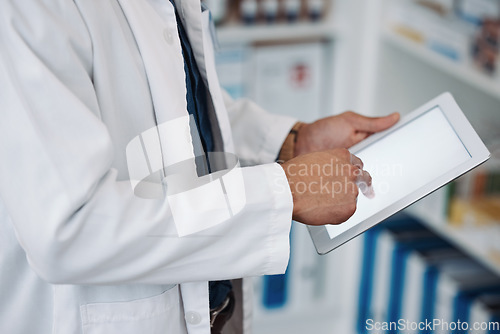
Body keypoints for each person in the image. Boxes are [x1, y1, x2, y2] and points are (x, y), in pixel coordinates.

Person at [0, 0, 399, 333]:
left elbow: (175, 105)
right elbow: (71, 227)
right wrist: (284, 190)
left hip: (212, 309)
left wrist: (291, 141)